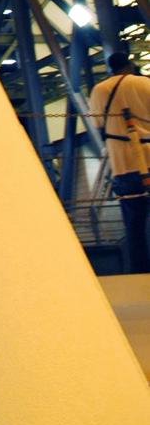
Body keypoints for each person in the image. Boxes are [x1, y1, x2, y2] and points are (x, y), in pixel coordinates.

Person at [89, 49, 150, 274]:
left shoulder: (99, 90)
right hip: (148, 152)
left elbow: (97, 125)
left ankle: (140, 270)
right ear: (129, 65)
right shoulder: (144, 84)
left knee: (133, 222)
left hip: (122, 162)